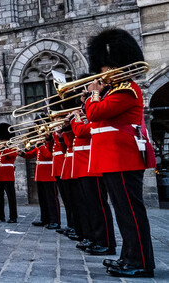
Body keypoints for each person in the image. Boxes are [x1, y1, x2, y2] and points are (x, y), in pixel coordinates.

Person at [84, 29, 154, 278]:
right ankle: (129, 256)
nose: (102, 74)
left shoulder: (127, 90)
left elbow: (94, 114)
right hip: (114, 158)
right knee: (123, 212)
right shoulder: (114, 90)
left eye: (104, 69)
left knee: (131, 212)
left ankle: (141, 261)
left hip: (122, 156)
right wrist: (95, 94)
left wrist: (93, 93)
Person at [68, 106, 116, 257]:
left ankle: (105, 241)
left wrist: (75, 118)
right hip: (82, 167)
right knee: (88, 206)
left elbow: (82, 132)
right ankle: (93, 237)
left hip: (91, 167)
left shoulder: (93, 118)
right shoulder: (85, 119)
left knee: (98, 206)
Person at [20, 132, 60, 229]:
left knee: (51, 200)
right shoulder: (40, 146)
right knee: (43, 200)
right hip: (40, 176)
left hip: (49, 175)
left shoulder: (50, 144)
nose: (39, 137)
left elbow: (48, 156)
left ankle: (55, 221)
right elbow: (31, 154)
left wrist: (41, 146)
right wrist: (21, 153)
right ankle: (45, 219)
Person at [0, 123, 18, 224]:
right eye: (0, 139)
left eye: (2, 139)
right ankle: (0, 215)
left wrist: (4, 148)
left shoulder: (12, 147)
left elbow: (12, 155)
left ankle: (13, 216)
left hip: (8, 175)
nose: (1, 141)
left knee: (11, 197)